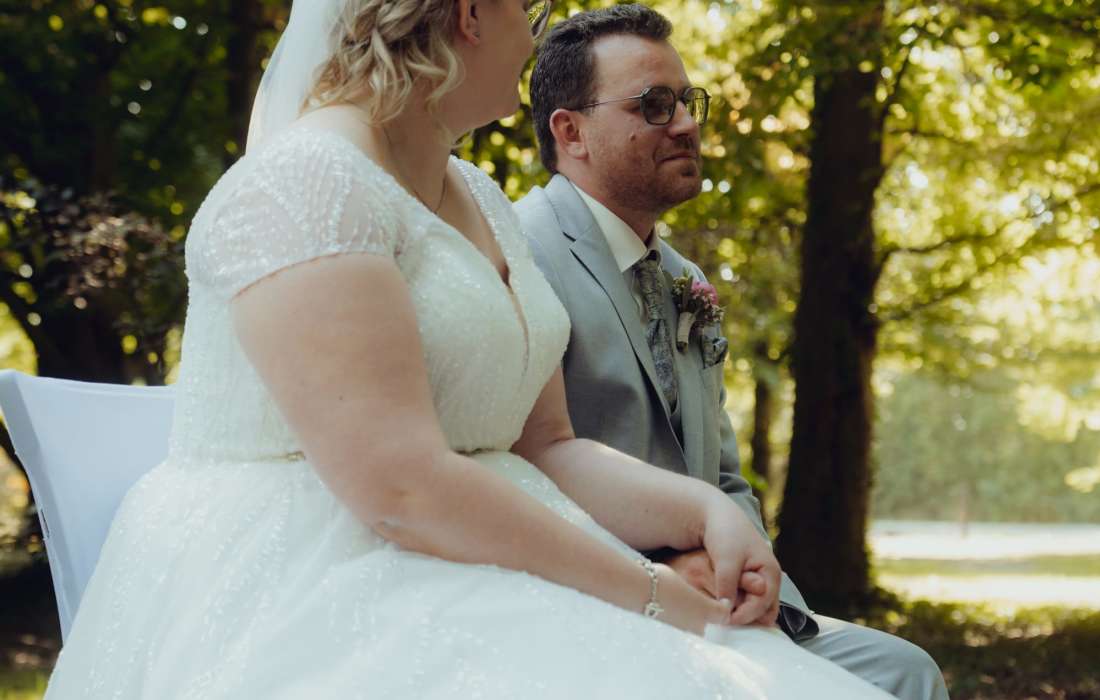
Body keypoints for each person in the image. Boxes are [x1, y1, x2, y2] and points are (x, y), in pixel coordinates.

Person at [45, 1, 893, 697]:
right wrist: (653, 593)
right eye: (530, 9)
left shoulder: (479, 196)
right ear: (470, 14)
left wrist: (704, 512)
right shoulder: (304, 182)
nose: (536, 37)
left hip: (480, 544)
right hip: (327, 578)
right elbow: (402, 488)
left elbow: (547, 445)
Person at [515, 5, 948, 700]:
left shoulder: (685, 279)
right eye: (655, 105)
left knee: (906, 672)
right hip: (588, 607)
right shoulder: (518, 250)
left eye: (688, 101)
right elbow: (514, 469)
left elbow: (723, 478)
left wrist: (752, 582)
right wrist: (655, 576)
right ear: (572, 132)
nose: (687, 124)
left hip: (721, 609)